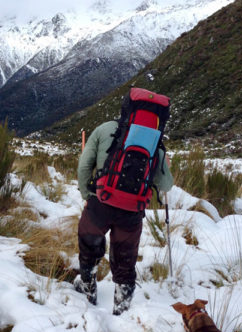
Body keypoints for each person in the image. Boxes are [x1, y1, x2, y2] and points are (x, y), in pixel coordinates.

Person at [74, 109, 173, 315]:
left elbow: (84, 165)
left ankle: (88, 290)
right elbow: (166, 184)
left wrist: (86, 195)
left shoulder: (105, 129)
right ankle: (122, 311)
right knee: (125, 260)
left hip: (100, 203)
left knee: (89, 247)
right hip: (132, 211)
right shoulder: (155, 142)